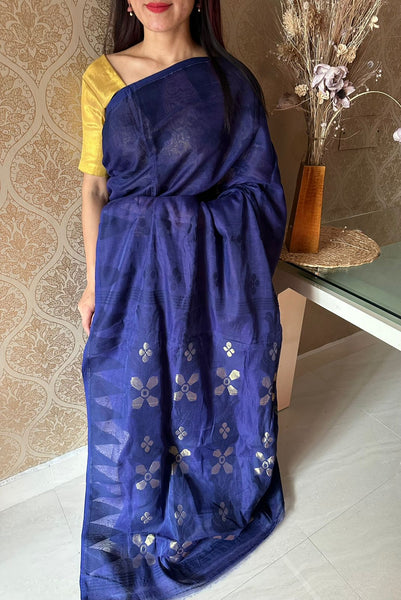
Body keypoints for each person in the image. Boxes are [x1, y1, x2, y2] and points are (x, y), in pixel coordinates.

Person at [77, 1, 287, 598]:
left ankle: (213, 499)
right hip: (130, 276)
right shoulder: (102, 76)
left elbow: (258, 191)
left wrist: (184, 221)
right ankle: (140, 510)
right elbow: (95, 187)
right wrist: (94, 283)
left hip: (211, 284)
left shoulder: (232, 82)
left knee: (208, 391)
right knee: (127, 394)